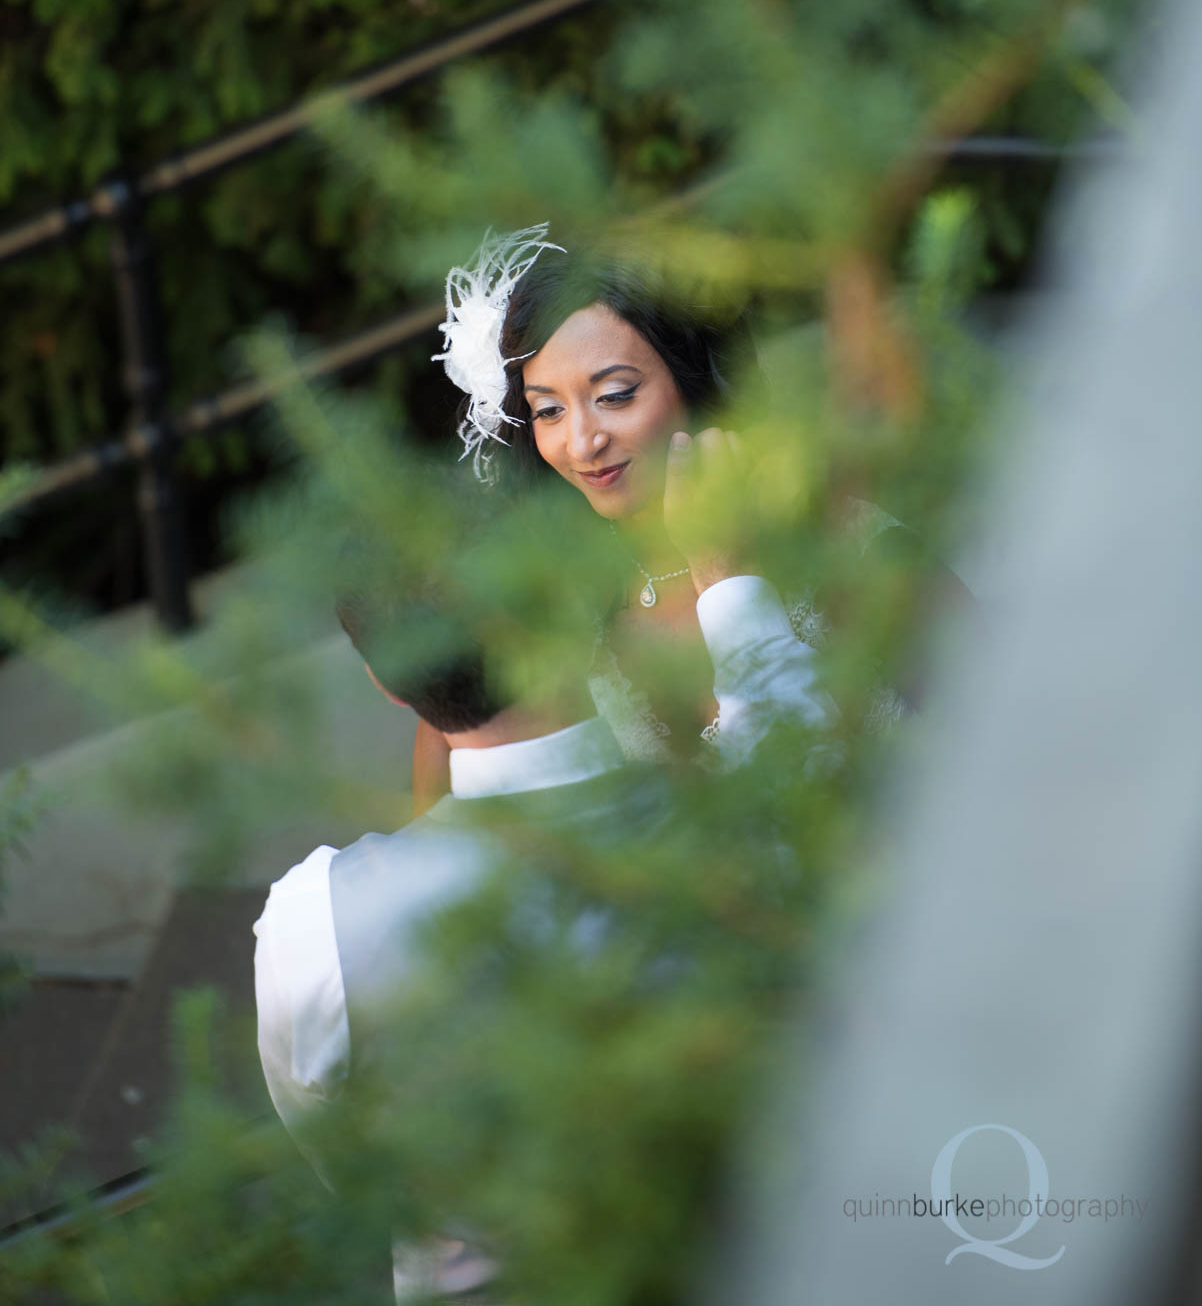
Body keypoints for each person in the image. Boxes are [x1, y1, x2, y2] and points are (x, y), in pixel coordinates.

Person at [253, 534, 830, 1299]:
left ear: (386, 686)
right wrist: (731, 591)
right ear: (570, 623)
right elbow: (790, 728)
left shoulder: (314, 921)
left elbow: (345, 1159)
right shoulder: (739, 821)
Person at [413, 223, 943, 806]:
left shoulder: (842, 540)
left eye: (615, 395)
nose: (584, 442)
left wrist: (731, 574)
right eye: (548, 411)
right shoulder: (545, 612)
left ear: (691, 380)